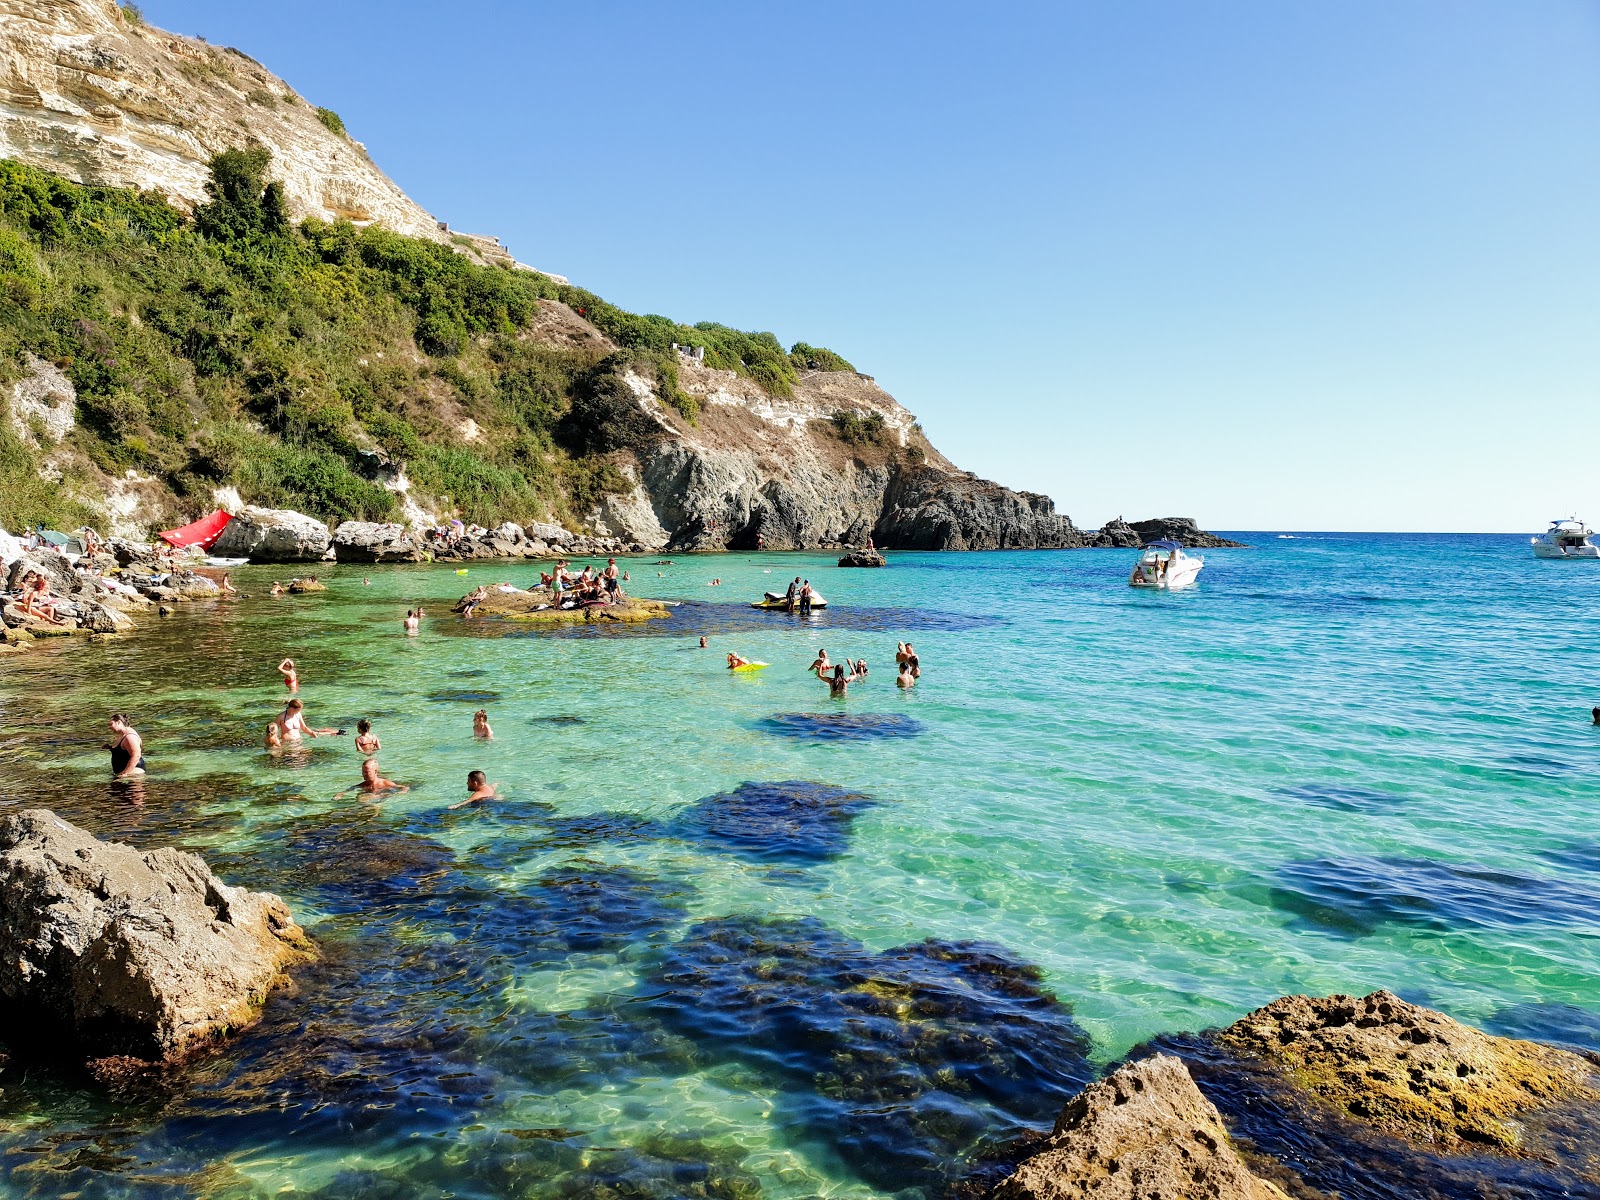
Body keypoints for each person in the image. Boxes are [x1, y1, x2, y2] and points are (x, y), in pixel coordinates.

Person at [337, 757, 407, 798]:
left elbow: (404, 788)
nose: (364, 774)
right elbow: (349, 789)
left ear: (376, 771)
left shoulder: (385, 783)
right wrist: (340, 795)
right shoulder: (363, 785)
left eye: (367, 772)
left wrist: (399, 793)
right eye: (363, 771)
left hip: (381, 799)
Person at [274, 698, 339, 741]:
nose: (299, 711)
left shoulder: (298, 714)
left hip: (298, 741)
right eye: (298, 710)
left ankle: (333, 732)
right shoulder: (281, 717)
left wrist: (311, 733)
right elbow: (273, 732)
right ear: (292, 708)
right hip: (287, 743)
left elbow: (304, 728)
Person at [106, 713, 145, 777]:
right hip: (126, 773)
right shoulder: (123, 735)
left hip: (133, 773)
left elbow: (136, 756)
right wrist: (110, 747)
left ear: (118, 722)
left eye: (111, 724)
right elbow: (122, 751)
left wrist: (124, 773)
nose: (109, 727)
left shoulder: (129, 737)